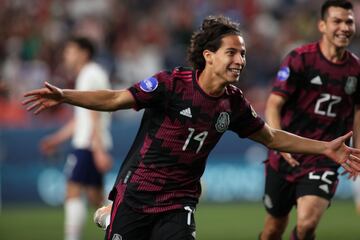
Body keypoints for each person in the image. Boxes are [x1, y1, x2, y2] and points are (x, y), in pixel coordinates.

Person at [23, 16, 360, 240]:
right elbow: (114, 99)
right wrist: (65, 95)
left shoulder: (234, 103)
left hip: (179, 200)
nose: (240, 60)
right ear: (208, 55)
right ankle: (113, 216)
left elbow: (271, 137)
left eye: (242, 53)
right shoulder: (170, 85)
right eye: (232, 53)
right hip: (137, 192)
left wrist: (326, 147)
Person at [259, 1, 360, 240]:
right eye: (337, 21)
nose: (344, 27)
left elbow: (358, 111)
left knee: (307, 225)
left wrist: (356, 149)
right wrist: (277, 142)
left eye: (349, 21)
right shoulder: (300, 59)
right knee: (274, 228)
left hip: (326, 155)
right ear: (322, 25)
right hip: (288, 153)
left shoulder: (356, 69)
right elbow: (274, 104)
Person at [38, 36, 113, 240]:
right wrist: (56, 139)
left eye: (70, 51)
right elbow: (81, 119)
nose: (66, 55)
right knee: (98, 200)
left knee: (72, 191)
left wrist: (97, 149)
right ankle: (123, 230)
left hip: (88, 145)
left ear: (84, 53)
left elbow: (95, 114)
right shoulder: (91, 74)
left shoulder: (89, 74)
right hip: (91, 143)